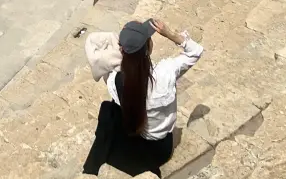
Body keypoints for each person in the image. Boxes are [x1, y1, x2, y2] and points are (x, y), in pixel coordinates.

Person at [82, 19, 204, 177]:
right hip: (161, 148)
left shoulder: (113, 80)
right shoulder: (166, 73)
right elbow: (196, 51)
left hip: (137, 138)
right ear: (148, 47)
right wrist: (170, 34)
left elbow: (96, 46)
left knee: (109, 109)